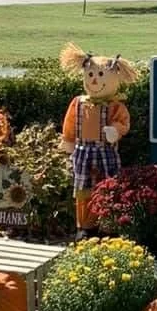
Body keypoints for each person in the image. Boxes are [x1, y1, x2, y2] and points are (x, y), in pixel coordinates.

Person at [59, 42, 138, 240]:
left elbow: (123, 122)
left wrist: (115, 131)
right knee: (83, 191)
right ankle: (85, 226)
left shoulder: (114, 105)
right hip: (83, 152)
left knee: (107, 189)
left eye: (100, 75)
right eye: (91, 75)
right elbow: (70, 125)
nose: (94, 80)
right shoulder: (79, 103)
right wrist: (68, 143)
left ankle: (107, 225)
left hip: (105, 153)